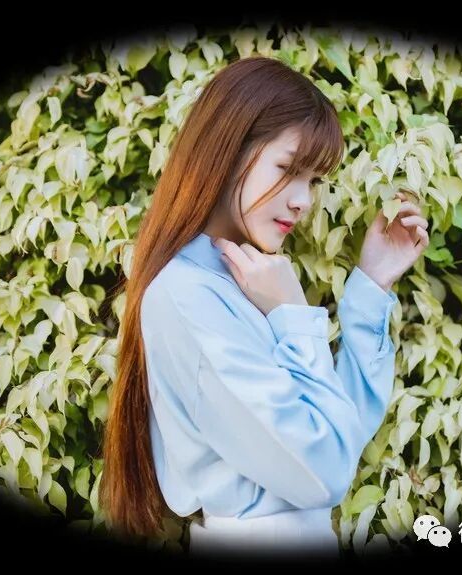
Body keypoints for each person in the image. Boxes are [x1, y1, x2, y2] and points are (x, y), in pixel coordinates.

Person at [100, 55, 429, 562]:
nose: (303, 200)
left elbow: (340, 433)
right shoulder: (187, 296)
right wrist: (292, 315)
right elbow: (325, 469)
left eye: (313, 180)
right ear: (227, 150)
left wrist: (371, 284)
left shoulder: (245, 281)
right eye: (289, 168)